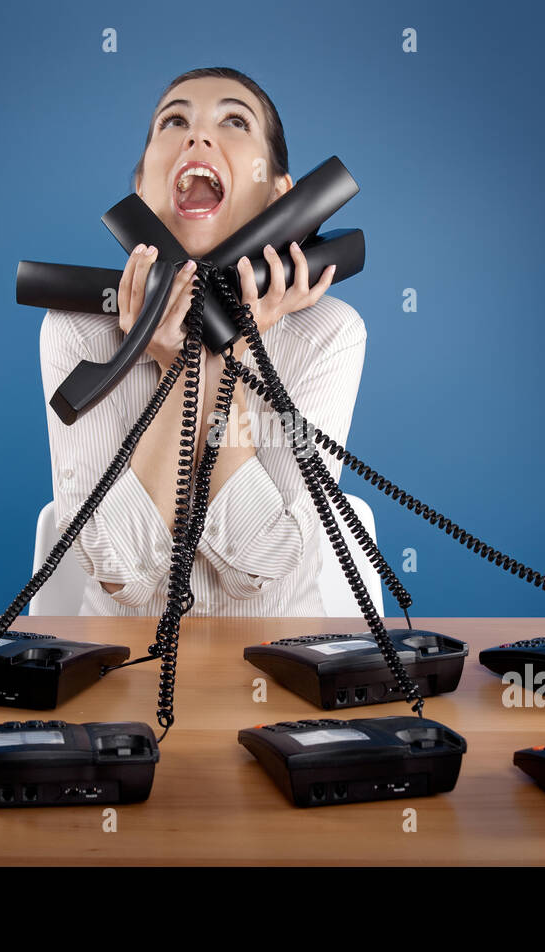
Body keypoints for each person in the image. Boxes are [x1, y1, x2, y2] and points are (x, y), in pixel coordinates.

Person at [40, 66, 366, 616]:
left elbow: (258, 568)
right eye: (174, 121)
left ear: (281, 198)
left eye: (234, 120)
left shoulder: (328, 335)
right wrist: (185, 367)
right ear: (142, 188)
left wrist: (225, 354)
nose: (198, 136)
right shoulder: (75, 329)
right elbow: (120, 574)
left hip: (276, 672)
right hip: (123, 677)